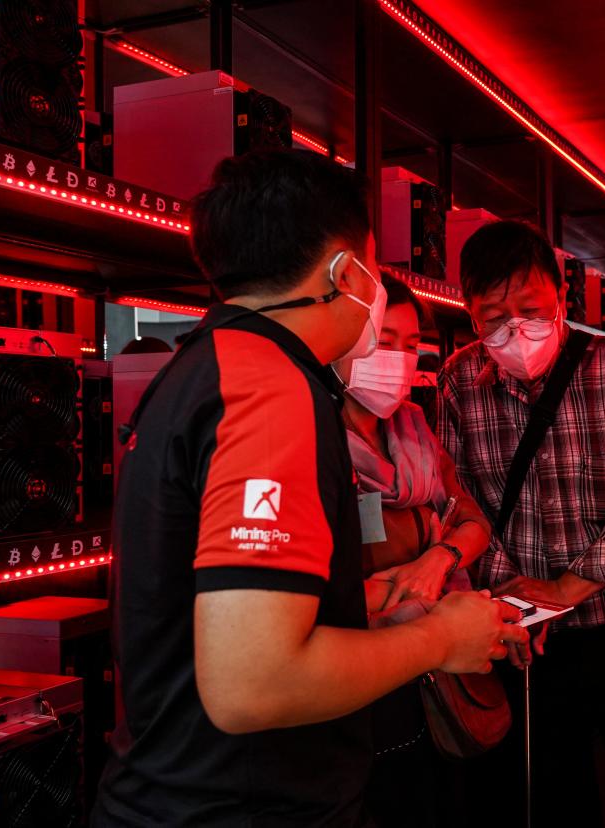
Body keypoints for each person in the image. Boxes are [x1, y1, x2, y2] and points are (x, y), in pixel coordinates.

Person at [93, 150, 527, 827]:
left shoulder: (201, 371)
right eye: (376, 270)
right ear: (345, 273)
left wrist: (385, 606)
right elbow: (252, 683)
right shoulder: (270, 389)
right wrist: (440, 641)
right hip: (239, 806)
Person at [437, 219, 605, 827]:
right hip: (528, 639)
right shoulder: (458, 380)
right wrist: (515, 597)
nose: (515, 331)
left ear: (561, 297)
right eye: (492, 317)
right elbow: (458, 498)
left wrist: (565, 590)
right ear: (469, 313)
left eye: (530, 309)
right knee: (549, 796)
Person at [334, 274, 493, 827]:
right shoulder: (315, 439)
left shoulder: (413, 425)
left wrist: (439, 559)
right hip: (360, 671)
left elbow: (472, 520)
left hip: (437, 665)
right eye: (384, 340)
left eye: (410, 343)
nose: (399, 358)